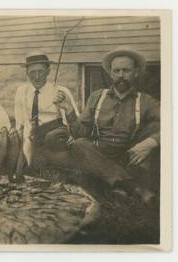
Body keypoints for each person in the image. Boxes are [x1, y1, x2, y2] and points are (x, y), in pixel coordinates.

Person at [54, 46, 160, 203]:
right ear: (110, 73)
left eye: (126, 70)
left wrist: (150, 143)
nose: (121, 75)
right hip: (99, 151)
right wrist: (69, 110)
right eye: (116, 71)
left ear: (136, 73)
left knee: (156, 127)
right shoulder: (97, 97)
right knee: (79, 144)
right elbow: (80, 132)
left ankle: (114, 184)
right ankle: (131, 186)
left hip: (130, 154)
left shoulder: (146, 101)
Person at [14, 52, 79, 168]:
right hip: (33, 132)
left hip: (55, 132)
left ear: (48, 72)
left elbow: (74, 122)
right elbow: (19, 119)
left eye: (41, 72)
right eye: (33, 72)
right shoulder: (22, 91)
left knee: (51, 138)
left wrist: (65, 105)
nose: (37, 76)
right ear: (27, 73)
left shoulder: (60, 91)